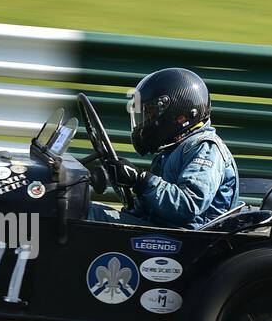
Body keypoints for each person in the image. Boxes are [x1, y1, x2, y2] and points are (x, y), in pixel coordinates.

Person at [88, 67, 239, 228]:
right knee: (77, 208)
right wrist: (125, 181)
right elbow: (149, 208)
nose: (145, 120)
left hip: (184, 239)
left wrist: (141, 180)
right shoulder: (172, 148)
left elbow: (188, 206)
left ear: (179, 114)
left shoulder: (205, 148)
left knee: (82, 213)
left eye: (150, 113)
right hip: (161, 228)